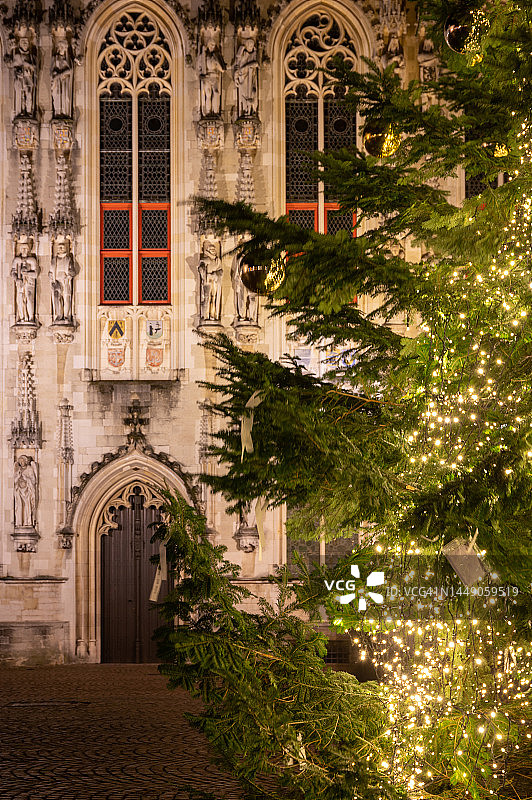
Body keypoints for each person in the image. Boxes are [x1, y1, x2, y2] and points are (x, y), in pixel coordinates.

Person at [11, 240, 38, 323]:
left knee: (29, 298)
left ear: (28, 250)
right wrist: (17, 279)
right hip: (20, 283)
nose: (24, 251)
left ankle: (30, 317)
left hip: (29, 283)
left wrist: (27, 274)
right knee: (20, 299)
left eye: (26, 249)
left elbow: (36, 274)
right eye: (22, 249)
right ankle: (22, 317)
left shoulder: (32, 260)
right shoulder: (17, 260)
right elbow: (13, 272)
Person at [198, 36, 225, 117]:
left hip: (214, 77)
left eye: (213, 45)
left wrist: (217, 61)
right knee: (208, 95)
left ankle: (215, 111)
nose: (212, 47)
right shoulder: (203, 56)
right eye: (211, 45)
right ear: (208, 45)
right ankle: (208, 112)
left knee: (216, 93)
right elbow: (199, 68)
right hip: (207, 77)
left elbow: (222, 69)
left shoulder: (215, 56)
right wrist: (201, 75)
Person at [49, 237, 75, 322]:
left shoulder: (67, 259)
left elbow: (72, 271)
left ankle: (66, 315)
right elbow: (51, 271)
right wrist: (52, 278)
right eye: (59, 247)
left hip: (65, 280)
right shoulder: (54, 260)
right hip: (57, 281)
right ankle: (59, 314)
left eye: (62, 247)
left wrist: (69, 274)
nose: (60, 248)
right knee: (57, 297)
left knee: (66, 297)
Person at [233, 36, 258, 118]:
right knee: (243, 94)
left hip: (250, 77)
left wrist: (245, 67)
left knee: (251, 93)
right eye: (249, 45)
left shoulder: (253, 54)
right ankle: (244, 111)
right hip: (242, 78)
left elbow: (256, 64)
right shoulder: (243, 54)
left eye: (252, 45)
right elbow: (237, 65)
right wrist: (235, 77)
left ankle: (250, 110)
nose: (251, 47)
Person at [12, 36, 36, 117]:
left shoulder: (31, 56)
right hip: (20, 78)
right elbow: (13, 68)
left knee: (29, 93)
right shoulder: (17, 56)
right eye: (23, 43)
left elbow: (34, 67)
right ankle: (21, 110)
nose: (25, 45)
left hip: (28, 78)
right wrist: (19, 70)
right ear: (20, 44)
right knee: (21, 95)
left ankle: (29, 111)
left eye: (26, 43)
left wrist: (28, 65)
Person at [199, 239, 223, 321]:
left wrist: (215, 274)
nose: (214, 252)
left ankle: (213, 315)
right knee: (207, 298)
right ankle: (206, 315)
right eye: (212, 250)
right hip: (208, 282)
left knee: (214, 298)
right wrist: (204, 273)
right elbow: (201, 268)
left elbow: (221, 271)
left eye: (214, 250)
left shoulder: (217, 261)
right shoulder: (205, 259)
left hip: (215, 281)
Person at [51, 39, 73, 118]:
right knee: (57, 96)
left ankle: (65, 112)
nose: (60, 48)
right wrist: (54, 75)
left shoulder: (68, 59)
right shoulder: (55, 58)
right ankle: (58, 112)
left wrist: (61, 74)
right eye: (59, 47)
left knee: (66, 97)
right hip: (57, 82)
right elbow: (51, 70)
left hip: (65, 81)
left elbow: (70, 70)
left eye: (62, 47)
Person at [14, 455, 37, 529]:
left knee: (28, 506)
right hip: (19, 490)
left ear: (26, 461)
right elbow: (14, 481)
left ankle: (28, 522)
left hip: (28, 491)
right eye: (20, 461)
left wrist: (26, 478)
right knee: (19, 506)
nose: (21, 463)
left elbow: (34, 480)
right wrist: (18, 476)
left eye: (22, 461)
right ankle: (19, 522)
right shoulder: (19, 470)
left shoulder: (30, 469)